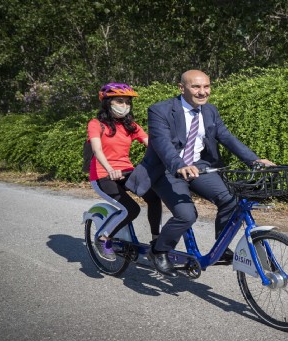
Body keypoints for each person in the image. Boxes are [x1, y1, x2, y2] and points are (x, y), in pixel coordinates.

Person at [126, 70, 274, 277]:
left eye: (206, 86)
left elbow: (226, 137)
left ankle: (220, 247)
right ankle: (158, 250)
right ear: (181, 88)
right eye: (196, 87)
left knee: (230, 201)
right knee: (186, 215)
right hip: (167, 169)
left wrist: (254, 160)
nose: (202, 92)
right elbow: (161, 143)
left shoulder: (210, 111)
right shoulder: (160, 110)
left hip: (199, 166)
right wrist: (179, 164)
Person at [88, 82, 162, 260]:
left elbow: (153, 144)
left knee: (154, 198)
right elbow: (97, 150)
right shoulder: (96, 124)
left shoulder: (131, 126)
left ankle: (156, 243)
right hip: (103, 174)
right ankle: (103, 237)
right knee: (132, 209)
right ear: (107, 103)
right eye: (119, 101)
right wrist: (110, 169)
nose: (124, 106)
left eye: (127, 102)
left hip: (127, 172)